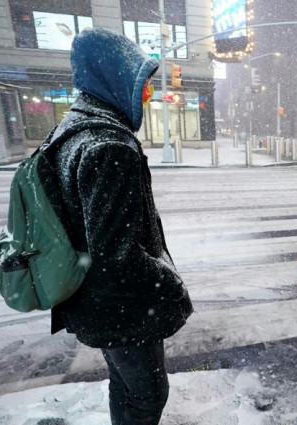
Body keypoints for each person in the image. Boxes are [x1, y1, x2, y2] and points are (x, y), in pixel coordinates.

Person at [44, 28, 194, 425]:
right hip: (121, 308)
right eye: (141, 83)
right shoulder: (108, 146)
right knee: (148, 394)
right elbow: (116, 256)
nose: (147, 95)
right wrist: (169, 284)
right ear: (114, 78)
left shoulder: (71, 130)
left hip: (90, 296)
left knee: (124, 384)